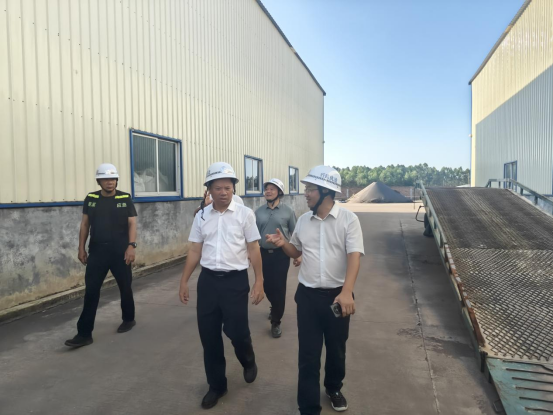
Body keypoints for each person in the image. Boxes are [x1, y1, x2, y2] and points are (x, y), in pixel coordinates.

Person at [266, 165, 364, 414]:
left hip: (337, 297)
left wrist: (347, 291)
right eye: (306, 188)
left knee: (336, 349)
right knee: (308, 354)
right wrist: (283, 243)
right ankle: (308, 407)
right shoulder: (303, 221)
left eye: (310, 189)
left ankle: (333, 388)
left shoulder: (349, 220)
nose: (306, 193)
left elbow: (354, 256)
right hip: (308, 297)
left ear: (326, 192)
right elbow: (296, 251)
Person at [179, 162, 265, 410]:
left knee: (237, 331)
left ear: (233, 188)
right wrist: (184, 280)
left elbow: (253, 248)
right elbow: (195, 249)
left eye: (228, 187)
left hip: (235, 282)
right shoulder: (202, 216)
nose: (224, 192)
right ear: (209, 190)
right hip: (208, 282)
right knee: (209, 336)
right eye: (218, 188)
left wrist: (259, 280)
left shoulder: (245, 215)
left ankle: (247, 358)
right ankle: (217, 385)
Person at [65, 163, 138, 348]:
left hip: (120, 251)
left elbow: (132, 223)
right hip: (97, 251)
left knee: (125, 287)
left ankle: (129, 319)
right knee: (91, 291)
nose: (109, 182)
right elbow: (85, 224)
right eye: (105, 179)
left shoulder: (125, 198)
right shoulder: (91, 199)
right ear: (99, 181)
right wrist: (81, 248)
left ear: (116, 180)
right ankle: (84, 334)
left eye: (112, 179)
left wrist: (131, 246)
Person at [255, 178, 300, 338]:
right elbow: (253, 235)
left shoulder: (288, 211)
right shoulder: (258, 212)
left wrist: (298, 254)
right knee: (266, 285)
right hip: (262, 254)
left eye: (272, 189)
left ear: (279, 192)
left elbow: (295, 234)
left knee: (279, 288)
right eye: (266, 189)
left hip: (281, 254)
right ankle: (275, 306)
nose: (268, 191)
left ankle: (276, 321)